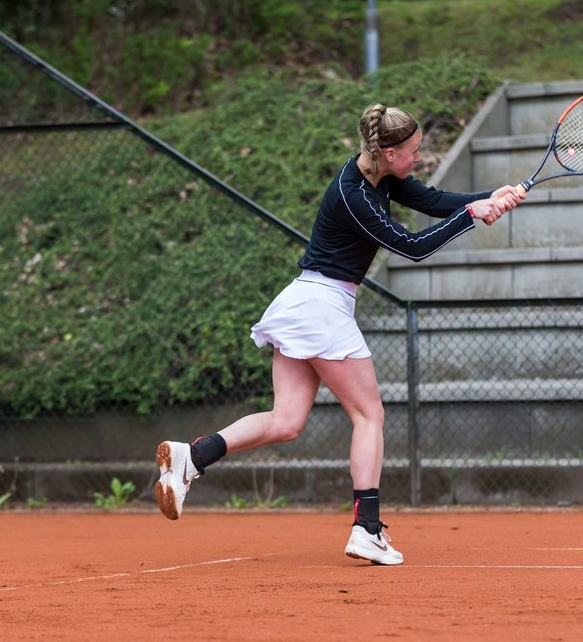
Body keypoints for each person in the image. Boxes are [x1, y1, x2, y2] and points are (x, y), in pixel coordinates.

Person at [154, 103, 526, 565]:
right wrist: (472, 214)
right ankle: (367, 529)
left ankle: (193, 456)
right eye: (412, 152)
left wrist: (493, 195)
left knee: (286, 420)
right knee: (369, 416)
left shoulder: (376, 172)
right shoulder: (355, 195)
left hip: (303, 301)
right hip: (320, 307)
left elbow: (430, 200)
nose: (418, 158)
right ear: (388, 153)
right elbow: (410, 247)